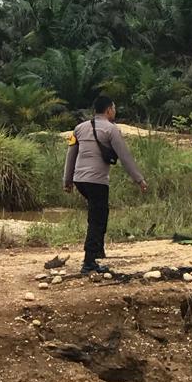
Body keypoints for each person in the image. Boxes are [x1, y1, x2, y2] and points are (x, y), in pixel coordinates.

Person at [63, 96, 149, 274]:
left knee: (97, 214)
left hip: (80, 180)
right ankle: (89, 262)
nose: (115, 112)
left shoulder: (79, 128)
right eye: (114, 108)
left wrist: (67, 180)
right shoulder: (112, 130)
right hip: (97, 181)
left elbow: (70, 155)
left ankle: (95, 254)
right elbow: (125, 157)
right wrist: (139, 179)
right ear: (109, 110)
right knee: (97, 219)